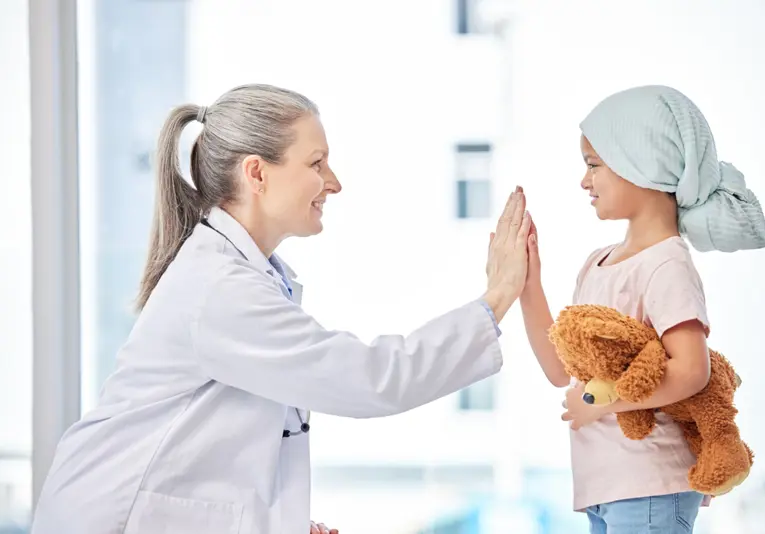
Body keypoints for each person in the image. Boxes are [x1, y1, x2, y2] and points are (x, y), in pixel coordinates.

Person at [30, 83, 532, 534]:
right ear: (257, 173)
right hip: (114, 516)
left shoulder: (250, 278)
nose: (333, 182)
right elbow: (369, 378)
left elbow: (223, 446)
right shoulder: (220, 287)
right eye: (316, 163)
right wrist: (496, 299)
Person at [520, 85, 765, 533]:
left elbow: (693, 370)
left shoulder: (667, 263)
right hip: (608, 488)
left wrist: (600, 403)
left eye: (594, 165)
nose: (584, 180)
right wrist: (527, 286)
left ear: (643, 166)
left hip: (650, 484)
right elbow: (563, 370)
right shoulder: (596, 263)